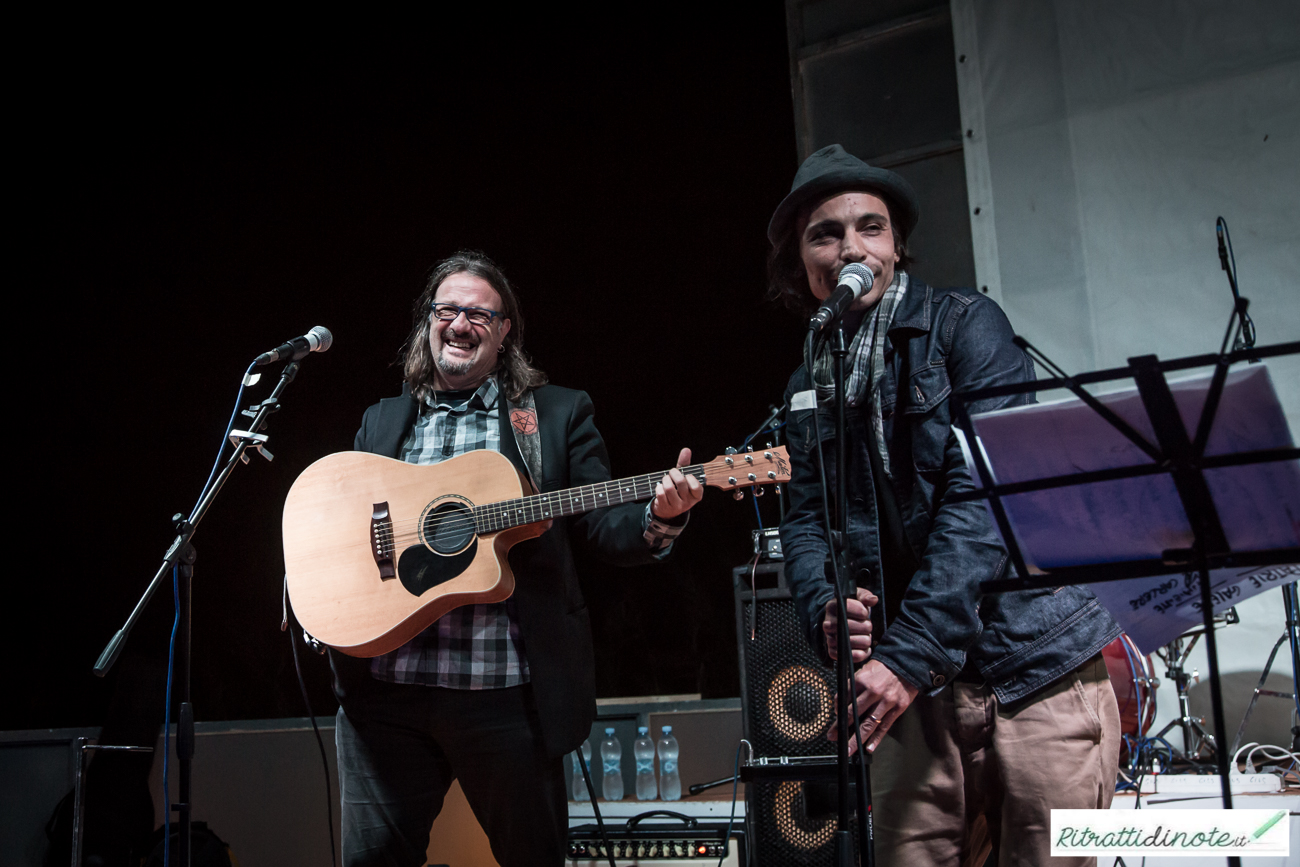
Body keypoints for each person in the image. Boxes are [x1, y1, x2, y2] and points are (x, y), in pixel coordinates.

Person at [769, 145, 1121, 866]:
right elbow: (805, 519)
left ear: (896, 245)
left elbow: (983, 499)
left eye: (870, 227)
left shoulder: (967, 324)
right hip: (917, 691)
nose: (850, 248)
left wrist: (906, 653)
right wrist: (825, 605)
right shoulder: (810, 379)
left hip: (1031, 667)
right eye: (825, 234)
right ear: (802, 262)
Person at [329, 250, 703, 866]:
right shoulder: (382, 420)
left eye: (480, 313)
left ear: (504, 332)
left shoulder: (554, 415)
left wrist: (659, 518)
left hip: (504, 696)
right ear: (428, 321)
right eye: (447, 309)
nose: (460, 323)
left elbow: (602, 527)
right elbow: (350, 523)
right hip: (387, 701)